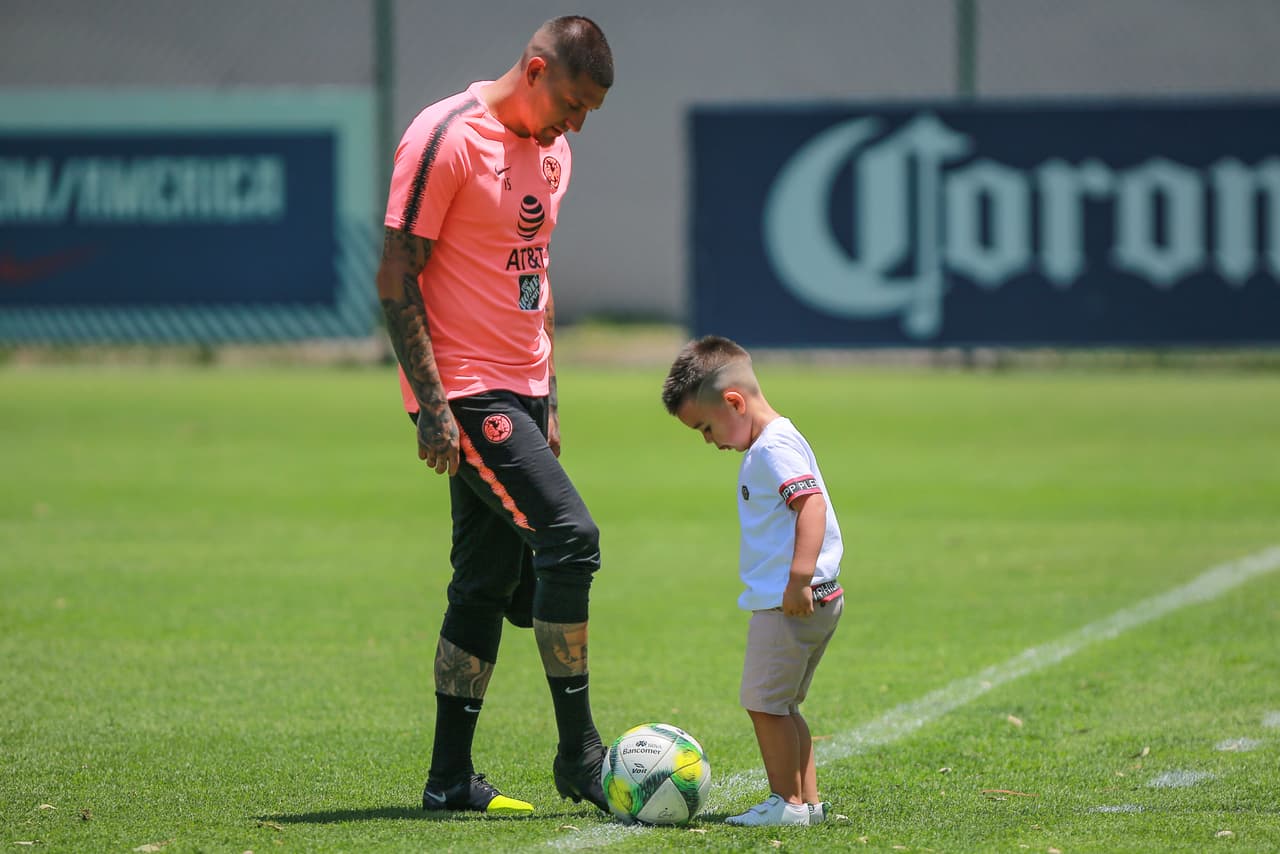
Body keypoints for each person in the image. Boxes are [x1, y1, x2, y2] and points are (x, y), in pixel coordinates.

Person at [374, 15, 614, 817]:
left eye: (588, 114)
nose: (576, 125)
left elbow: (534, 278)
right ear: (536, 70)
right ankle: (580, 755)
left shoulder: (555, 152)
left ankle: (449, 778)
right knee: (571, 537)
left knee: (487, 583)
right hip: (467, 393)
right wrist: (431, 407)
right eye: (572, 104)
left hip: (524, 393)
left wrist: (552, 400)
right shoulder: (445, 137)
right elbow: (396, 273)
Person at [661, 335, 844, 827]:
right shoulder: (780, 438)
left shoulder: (771, 449)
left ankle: (786, 803)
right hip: (814, 597)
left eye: (705, 426)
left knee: (763, 705)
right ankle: (807, 804)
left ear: (734, 402)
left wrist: (798, 580)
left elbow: (811, 505)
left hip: (789, 602)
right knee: (784, 706)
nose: (708, 440)